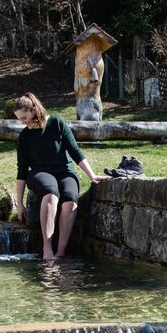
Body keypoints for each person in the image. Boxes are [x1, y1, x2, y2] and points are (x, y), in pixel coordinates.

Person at [14, 92, 106, 260]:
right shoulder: (24, 136)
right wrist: (19, 203)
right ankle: (47, 250)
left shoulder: (57, 123)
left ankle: (61, 252)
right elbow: (21, 171)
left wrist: (91, 175)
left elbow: (75, 152)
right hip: (39, 172)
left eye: (24, 117)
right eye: (20, 119)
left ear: (34, 110)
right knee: (51, 193)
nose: (23, 122)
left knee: (70, 199)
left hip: (65, 171)